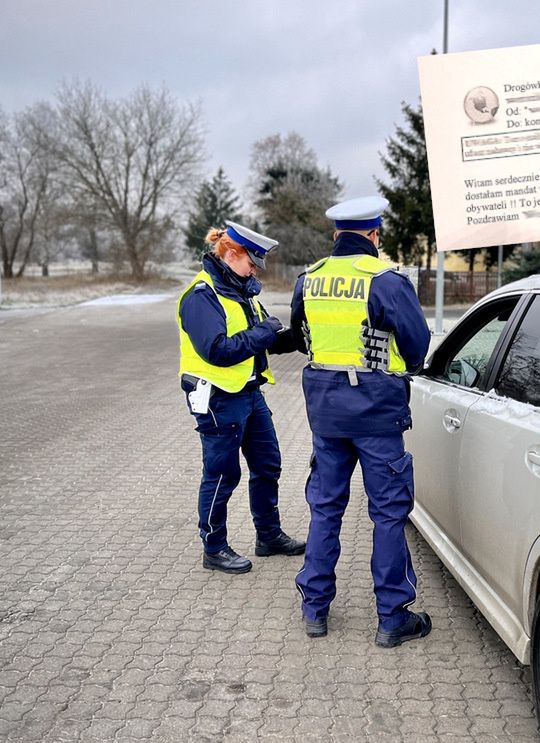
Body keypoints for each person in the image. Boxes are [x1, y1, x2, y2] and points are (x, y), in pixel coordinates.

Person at [291, 196, 432, 647]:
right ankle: (392, 618)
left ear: (336, 235)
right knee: (388, 514)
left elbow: (300, 336)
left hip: (326, 416)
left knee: (325, 508)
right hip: (377, 415)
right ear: (374, 235)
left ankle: (315, 609)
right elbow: (416, 346)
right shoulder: (385, 281)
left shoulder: (309, 279)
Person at [177, 221, 305, 574]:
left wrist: (298, 337)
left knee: (268, 464)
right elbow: (217, 350)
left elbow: (263, 341)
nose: (254, 270)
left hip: (249, 393)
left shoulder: (239, 290)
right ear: (231, 254)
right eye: (251, 262)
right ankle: (214, 548)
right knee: (221, 473)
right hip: (218, 398)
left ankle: (268, 536)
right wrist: (264, 332)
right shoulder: (202, 296)